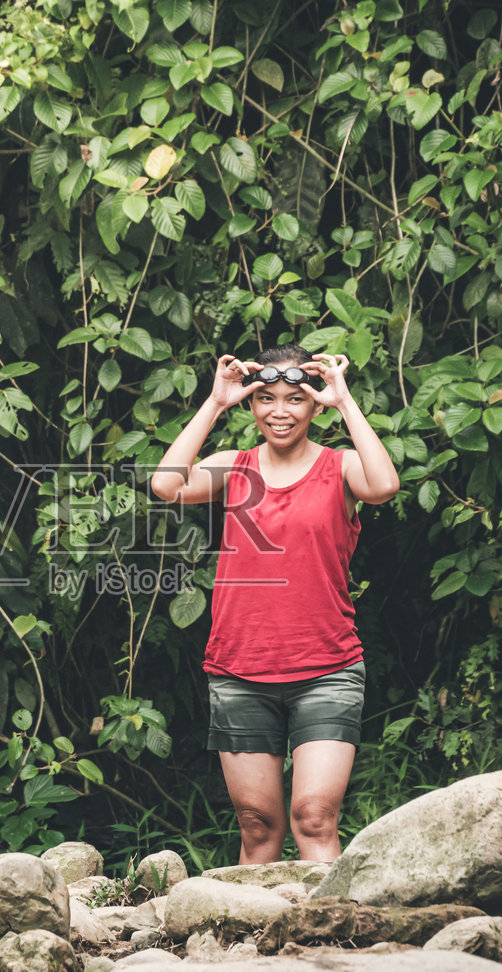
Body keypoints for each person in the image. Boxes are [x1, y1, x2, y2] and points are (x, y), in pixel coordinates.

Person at [150, 344, 400, 864]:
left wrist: (345, 401)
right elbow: (166, 483)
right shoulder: (232, 468)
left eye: (294, 399)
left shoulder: (342, 466)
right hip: (241, 670)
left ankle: (332, 939)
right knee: (258, 827)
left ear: (312, 406)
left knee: (314, 818)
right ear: (251, 405)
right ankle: (254, 942)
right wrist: (215, 401)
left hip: (326, 669)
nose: (279, 411)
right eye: (265, 399)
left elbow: (384, 485)